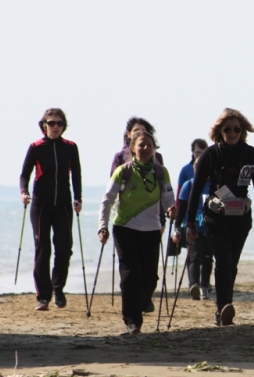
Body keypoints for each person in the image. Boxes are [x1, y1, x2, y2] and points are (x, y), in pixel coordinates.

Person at [186, 109, 254, 326]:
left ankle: (224, 306)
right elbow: (195, 190)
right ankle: (223, 307)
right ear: (219, 131)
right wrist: (190, 223)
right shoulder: (210, 154)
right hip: (216, 216)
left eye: (236, 129)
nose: (232, 133)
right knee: (222, 261)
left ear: (243, 131)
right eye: (227, 129)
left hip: (241, 218)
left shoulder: (250, 153)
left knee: (231, 264)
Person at [98, 131, 176, 334]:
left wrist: (171, 208)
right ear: (132, 148)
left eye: (149, 145)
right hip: (125, 228)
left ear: (154, 148)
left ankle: (139, 304)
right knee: (130, 274)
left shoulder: (161, 172)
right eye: (141, 145)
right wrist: (102, 225)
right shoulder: (123, 172)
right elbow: (107, 200)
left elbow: (168, 197)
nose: (145, 148)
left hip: (151, 230)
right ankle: (132, 320)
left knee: (150, 278)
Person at [19, 108, 83, 311]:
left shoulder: (71, 147)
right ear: (44, 125)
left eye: (59, 123)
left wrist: (78, 198)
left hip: (63, 204)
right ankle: (43, 296)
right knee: (43, 249)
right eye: (51, 123)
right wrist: (23, 192)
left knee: (64, 248)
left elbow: (77, 175)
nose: (55, 127)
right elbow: (24, 174)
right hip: (41, 204)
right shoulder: (36, 147)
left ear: (64, 126)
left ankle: (59, 289)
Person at [172, 158, 213, 301]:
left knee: (208, 258)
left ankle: (205, 286)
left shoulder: (213, 185)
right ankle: (193, 284)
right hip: (193, 227)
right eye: (198, 168)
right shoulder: (188, 185)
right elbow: (181, 209)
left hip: (210, 227)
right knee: (195, 255)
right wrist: (177, 228)